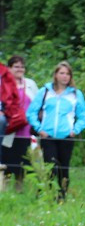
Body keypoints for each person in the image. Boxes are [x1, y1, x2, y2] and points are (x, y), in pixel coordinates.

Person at [27, 61, 85, 201]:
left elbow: (84, 116)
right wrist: (39, 129)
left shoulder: (75, 94)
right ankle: (45, 194)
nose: (64, 76)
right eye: (62, 73)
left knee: (63, 168)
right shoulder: (45, 92)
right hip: (48, 136)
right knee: (50, 167)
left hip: (66, 137)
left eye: (67, 74)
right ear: (56, 75)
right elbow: (31, 112)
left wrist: (75, 130)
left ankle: (62, 197)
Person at [1, 55, 37, 191]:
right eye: (16, 66)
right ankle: (4, 189)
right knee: (7, 160)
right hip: (10, 130)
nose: (20, 69)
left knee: (23, 161)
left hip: (26, 130)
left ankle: (19, 190)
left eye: (22, 66)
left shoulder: (30, 84)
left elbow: (38, 103)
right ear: (9, 68)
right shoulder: (4, 84)